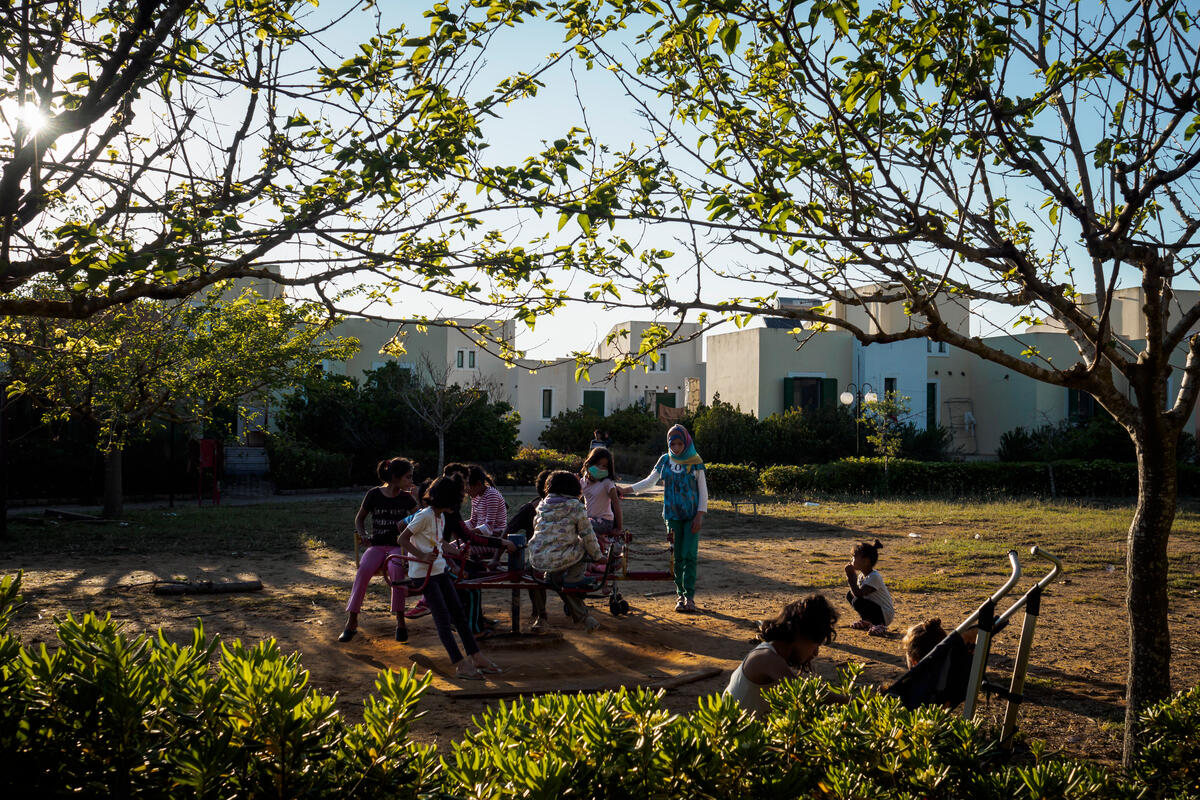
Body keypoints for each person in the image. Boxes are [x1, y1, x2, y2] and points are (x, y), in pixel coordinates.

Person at [397, 476, 502, 679]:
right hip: (424, 574)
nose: (457, 505)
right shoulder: (425, 516)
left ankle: (476, 656)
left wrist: (457, 553)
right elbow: (402, 538)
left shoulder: (440, 516)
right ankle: (460, 665)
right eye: (456, 500)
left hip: (439, 570)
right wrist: (421, 556)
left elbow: (440, 542)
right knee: (443, 619)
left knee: (459, 615)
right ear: (446, 499)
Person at [623, 424, 707, 613]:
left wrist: (699, 515)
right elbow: (649, 481)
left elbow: (703, 491)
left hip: (692, 516)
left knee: (690, 555)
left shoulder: (695, 461)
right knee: (677, 556)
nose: (676, 448)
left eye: (679, 444)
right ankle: (680, 596)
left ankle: (690, 596)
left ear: (686, 443)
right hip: (672, 515)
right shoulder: (665, 460)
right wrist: (626, 490)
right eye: (672, 444)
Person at [339, 458, 419, 643]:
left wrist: (416, 501)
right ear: (395, 477)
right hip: (376, 545)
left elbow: (422, 518)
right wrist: (363, 534)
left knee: (396, 570)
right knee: (364, 570)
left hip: (397, 546)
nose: (411, 481)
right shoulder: (374, 494)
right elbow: (359, 519)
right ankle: (352, 621)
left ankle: (400, 621)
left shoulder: (406, 498)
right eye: (408, 477)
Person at [724, 594, 839, 715]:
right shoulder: (767, 658)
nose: (816, 652)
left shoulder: (771, 654)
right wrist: (851, 701)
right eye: (815, 644)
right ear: (799, 634)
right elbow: (805, 693)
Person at [529, 470, 604, 633]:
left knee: (551, 579)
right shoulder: (576, 506)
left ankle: (542, 616)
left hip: (537, 558)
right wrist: (598, 556)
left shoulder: (542, 505)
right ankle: (574, 577)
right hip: (563, 558)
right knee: (584, 545)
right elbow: (588, 534)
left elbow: (537, 526)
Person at [504, 469, 554, 631]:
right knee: (532, 569)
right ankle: (540, 612)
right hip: (541, 558)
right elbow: (507, 531)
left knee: (534, 569)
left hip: (559, 556)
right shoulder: (529, 509)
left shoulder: (569, 507)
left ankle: (542, 613)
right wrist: (496, 556)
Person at [580, 447, 623, 569]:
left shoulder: (607, 483)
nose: (600, 469)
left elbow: (616, 505)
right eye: (598, 464)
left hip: (604, 521)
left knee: (583, 526)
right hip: (589, 520)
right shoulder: (583, 482)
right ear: (590, 463)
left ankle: (595, 563)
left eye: (604, 466)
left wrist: (619, 528)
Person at [845, 539, 894, 636]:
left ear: (865, 561)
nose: (852, 559)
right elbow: (856, 593)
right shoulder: (861, 576)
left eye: (854, 557)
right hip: (875, 610)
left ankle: (880, 625)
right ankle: (868, 621)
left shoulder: (874, 576)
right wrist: (852, 577)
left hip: (884, 614)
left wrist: (850, 576)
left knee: (857, 600)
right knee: (850, 595)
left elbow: (859, 594)